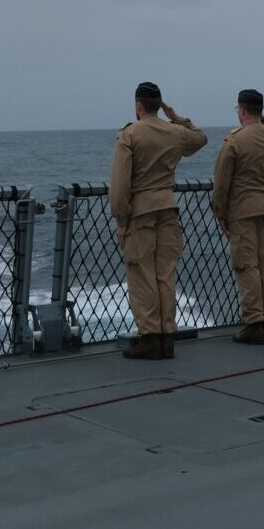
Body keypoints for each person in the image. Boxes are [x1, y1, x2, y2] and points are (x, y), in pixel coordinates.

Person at [109, 82, 207, 360]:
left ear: (138, 106)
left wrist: (121, 219)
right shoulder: (174, 132)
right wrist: (174, 116)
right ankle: (167, 336)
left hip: (140, 212)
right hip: (168, 208)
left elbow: (119, 183)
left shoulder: (129, 134)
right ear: (158, 105)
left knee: (142, 274)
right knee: (165, 273)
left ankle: (151, 337)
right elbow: (200, 138)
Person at [212, 88, 264, 344]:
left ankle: (253, 321)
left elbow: (221, 183)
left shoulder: (234, 141)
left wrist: (219, 212)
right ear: (261, 111)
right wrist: (262, 120)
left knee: (246, 265)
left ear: (241, 110)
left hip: (243, 211)